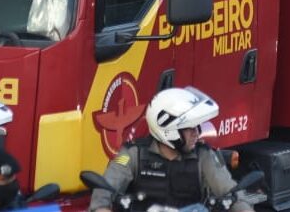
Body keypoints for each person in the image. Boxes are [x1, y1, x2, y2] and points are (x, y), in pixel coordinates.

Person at [89, 87, 251, 212]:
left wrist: (242, 207)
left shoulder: (204, 156)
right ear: (169, 129)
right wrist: (101, 207)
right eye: (190, 128)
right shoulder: (133, 154)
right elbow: (105, 189)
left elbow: (231, 192)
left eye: (196, 127)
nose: (197, 133)